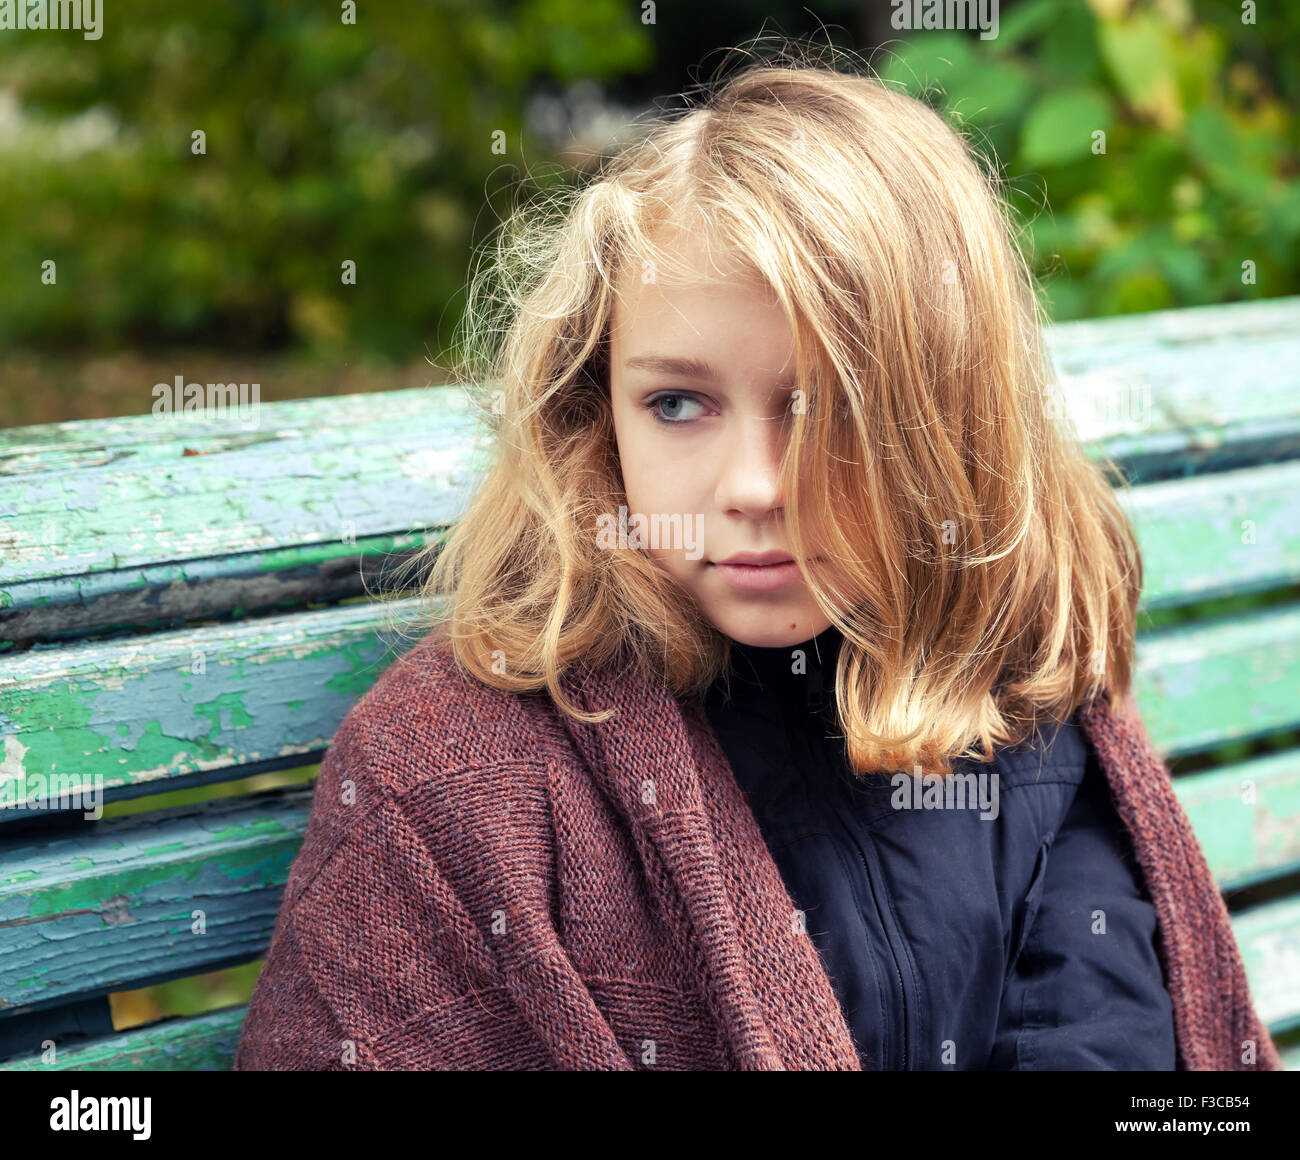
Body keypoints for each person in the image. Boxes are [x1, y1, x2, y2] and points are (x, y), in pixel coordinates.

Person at [234, 45, 1281, 1071]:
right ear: (597, 414)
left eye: (826, 404)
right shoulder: (459, 776)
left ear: (948, 418)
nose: (754, 484)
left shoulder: (1014, 684)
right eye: (677, 402)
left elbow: (1105, 1026)